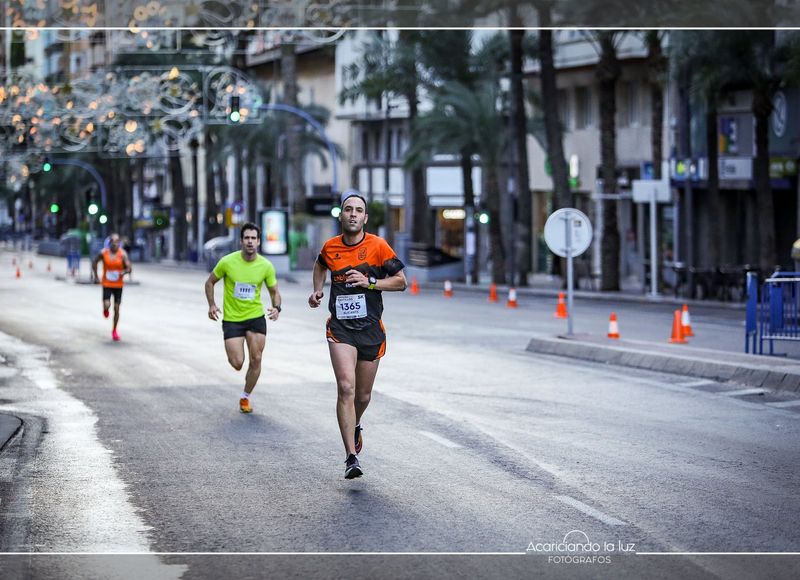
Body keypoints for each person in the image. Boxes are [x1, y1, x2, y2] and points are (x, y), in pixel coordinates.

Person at [308, 190, 407, 479]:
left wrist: (370, 281)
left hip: (371, 331)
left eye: (358, 210)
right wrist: (317, 290)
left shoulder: (378, 246)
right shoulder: (331, 247)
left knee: (362, 395)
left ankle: (356, 423)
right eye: (348, 209)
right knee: (346, 388)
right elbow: (320, 265)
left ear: (365, 217)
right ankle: (351, 456)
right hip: (340, 330)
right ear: (342, 215)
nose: (352, 213)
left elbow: (401, 282)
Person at [205, 222, 282, 413]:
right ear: (241, 241)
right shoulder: (227, 262)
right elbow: (209, 283)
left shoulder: (265, 266)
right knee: (238, 363)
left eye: (253, 238)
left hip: (255, 317)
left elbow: (274, 291)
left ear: (258, 242)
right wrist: (212, 305)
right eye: (246, 238)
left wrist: (277, 307)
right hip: (232, 319)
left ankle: (245, 397)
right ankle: (237, 361)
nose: (250, 241)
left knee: (256, 359)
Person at [91, 232, 132, 342]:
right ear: (109, 243)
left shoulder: (122, 254)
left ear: (119, 243)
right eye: (113, 242)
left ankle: (114, 330)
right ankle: (105, 309)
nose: (115, 244)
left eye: (117, 242)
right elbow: (94, 262)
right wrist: (96, 276)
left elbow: (129, 267)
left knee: (117, 308)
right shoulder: (104, 253)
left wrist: (125, 272)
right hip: (107, 283)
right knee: (107, 304)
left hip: (118, 285)